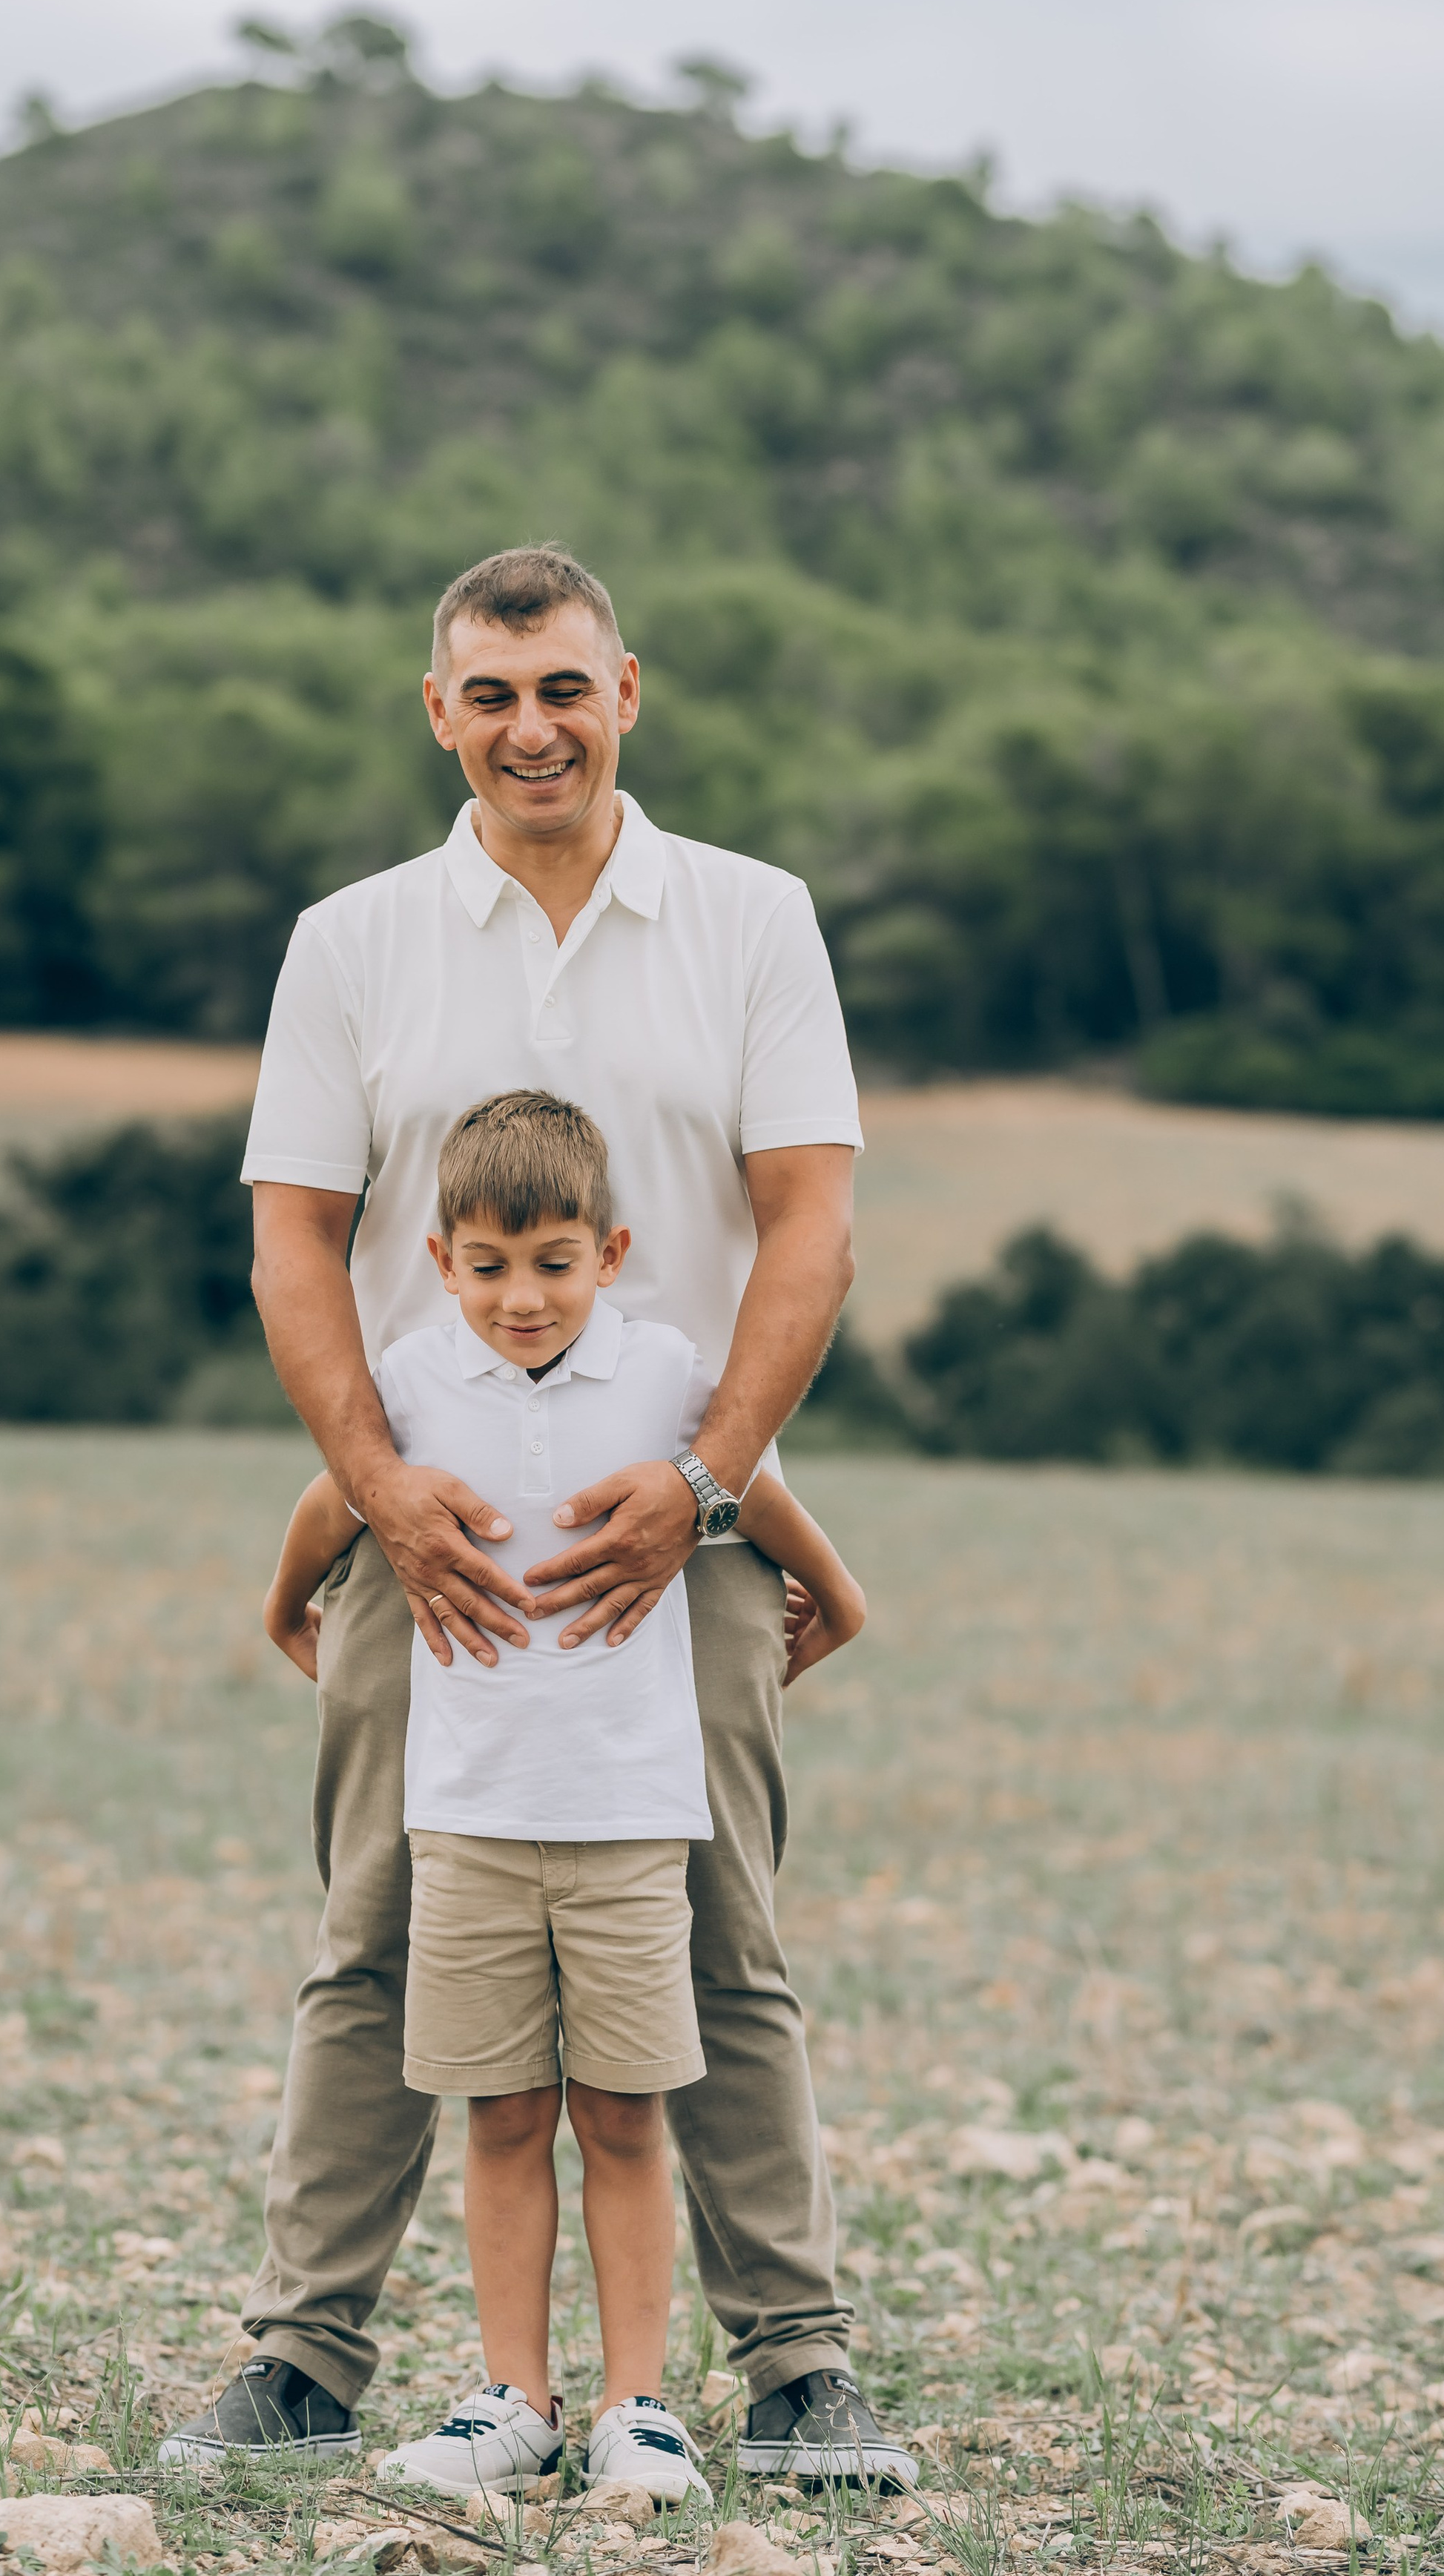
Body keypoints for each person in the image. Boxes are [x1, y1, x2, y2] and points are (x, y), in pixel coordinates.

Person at [159, 543, 916, 2490]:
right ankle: (307, 2358)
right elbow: (296, 1244)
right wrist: (381, 1496)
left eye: (564, 688)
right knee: (372, 1946)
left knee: (724, 1944)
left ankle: (798, 2364)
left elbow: (812, 1225)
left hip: (699, 1528)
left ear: (627, 693)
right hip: (434, 1546)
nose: (531, 728)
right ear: (441, 713)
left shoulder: (754, 923)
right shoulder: (355, 941)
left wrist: (709, 1484)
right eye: (491, 695)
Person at [258, 1090, 868, 2500]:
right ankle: (510, 2399)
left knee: (628, 2113)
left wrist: (837, 1595)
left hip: (630, 1822)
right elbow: (333, 1497)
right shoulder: (411, 1381)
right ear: (439, 1258)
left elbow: (756, 1488)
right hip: (466, 1817)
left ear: (613, 1250)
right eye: (487, 1266)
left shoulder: (666, 1375)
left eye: (552, 1262)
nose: (521, 1297)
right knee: (504, 2114)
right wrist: (287, 1607)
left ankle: (638, 2407)